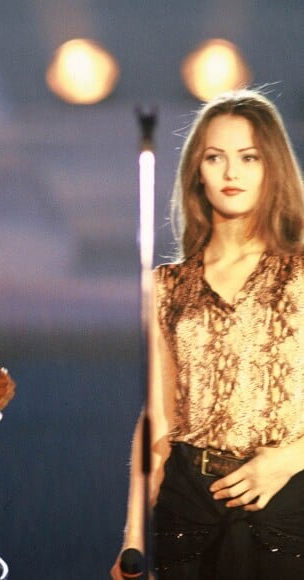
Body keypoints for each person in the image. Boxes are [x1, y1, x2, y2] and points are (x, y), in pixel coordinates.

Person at [111, 89, 304, 579]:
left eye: (248, 157)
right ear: (197, 170)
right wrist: (133, 538)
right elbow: (157, 417)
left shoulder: (300, 271)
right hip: (187, 507)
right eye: (215, 157)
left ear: (272, 167)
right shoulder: (168, 285)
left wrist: (287, 460)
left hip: (287, 503)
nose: (231, 172)